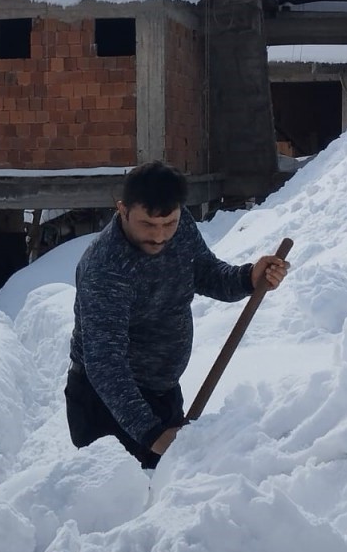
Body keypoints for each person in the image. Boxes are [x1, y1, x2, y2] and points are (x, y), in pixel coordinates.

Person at [66, 161, 289, 468]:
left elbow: (205, 272)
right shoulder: (106, 269)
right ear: (122, 209)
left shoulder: (180, 226)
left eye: (167, 224)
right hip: (107, 406)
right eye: (147, 225)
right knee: (126, 506)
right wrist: (151, 433)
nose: (159, 236)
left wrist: (249, 278)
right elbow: (105, 364)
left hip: (164, 392)